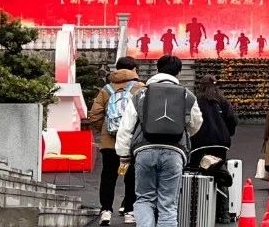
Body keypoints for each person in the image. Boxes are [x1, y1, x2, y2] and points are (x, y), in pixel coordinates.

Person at [116, 55, 203, 227]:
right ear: (179, 72)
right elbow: (196, 123)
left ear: (157, 69)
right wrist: (181, 132)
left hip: (144, 150)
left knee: (144, 198)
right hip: (174, 151)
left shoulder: (141, 94)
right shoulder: (187, 95)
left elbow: (126, 126)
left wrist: (124, 154)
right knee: (168, 203)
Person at [88, 57, 144, 225]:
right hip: (131, 141)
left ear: (117, 69)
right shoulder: (140, 88)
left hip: (109, 142)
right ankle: (129, 211)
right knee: (131, 175)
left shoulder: (106, 89)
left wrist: (106, 129)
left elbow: (94, 115)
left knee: (108, 175)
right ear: (134, 70)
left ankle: (106, 211)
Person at [189, 75, 238, 224]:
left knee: (198, 174)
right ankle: (223, 213)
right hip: (220, 143)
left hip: (200, 144)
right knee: (220, 174)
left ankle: (199, 211)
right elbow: (232, 120)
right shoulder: (222, 101)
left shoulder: (195, 100)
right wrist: (226, 133)